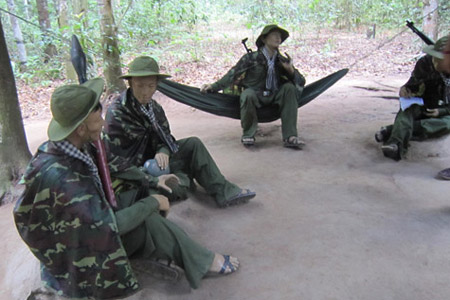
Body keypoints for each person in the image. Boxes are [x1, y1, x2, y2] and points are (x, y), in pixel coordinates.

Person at [13, 79, 240, 300]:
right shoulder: (63, 177)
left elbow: (114, 164)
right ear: (81, 128)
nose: (103, 124)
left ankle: (157, 247)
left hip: (90, 217)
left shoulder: (72, 146)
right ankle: (201, 261)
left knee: (148, 197)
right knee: (149, 216)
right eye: (98, 118)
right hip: (77, 249)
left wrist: (152, 182)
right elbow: (109, 225)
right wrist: (153, 203)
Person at [103, 56, 255, 207]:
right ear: (130, 83)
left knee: (193, 144)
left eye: (151, 86)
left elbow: (167, 138)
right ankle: (183, 179)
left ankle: (224, 191)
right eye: (140, 85)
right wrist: (153, 178)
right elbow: (116, 164)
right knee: (175, 188)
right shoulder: (117, 112)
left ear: (157, 85)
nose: (145, 92)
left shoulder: (154, 108)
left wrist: (163, 151)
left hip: (157, 162)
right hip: (135, 173)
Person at [200, 24, 306, 149]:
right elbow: (232, 75)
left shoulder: (281, 60)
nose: (278, 38)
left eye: (280, 36)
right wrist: (213, 87)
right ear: (264, 39)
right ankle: (248, 134)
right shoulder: (251, 58)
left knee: (289, 88)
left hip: (275, 95)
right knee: (247, 94)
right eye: (274, 35)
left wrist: (291, 71)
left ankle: (290, 136)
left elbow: (301, 81)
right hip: (256, 95)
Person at [375, 36, 450, 161]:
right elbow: (412, 84)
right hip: (423, 104)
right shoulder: (425, 63)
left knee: (446, 123)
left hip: (445, 111)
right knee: (406, 111)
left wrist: (440, 111)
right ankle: (395, 145)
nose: (436, 61)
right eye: (435, 57)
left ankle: (390, 131)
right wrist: (405, 90)